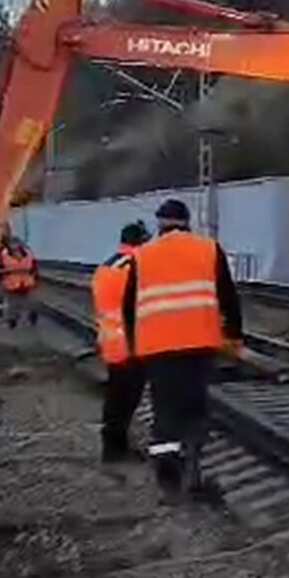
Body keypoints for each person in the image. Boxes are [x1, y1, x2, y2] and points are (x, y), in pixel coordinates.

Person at [121, 199, 242, 500]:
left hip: (157, 348)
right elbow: (229, 297)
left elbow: (128, 306)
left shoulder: (143, 256)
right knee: (194, 407)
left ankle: (168, 482)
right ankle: (194, 471)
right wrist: (234, 335)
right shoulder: (209, 249)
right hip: (200, 344)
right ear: (187, 222)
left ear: (159, 223)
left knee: (165, 412)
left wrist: (134, 345)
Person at [93, 220, 149, 463]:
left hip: (110, 342)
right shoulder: (136, 266)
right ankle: (116, 450)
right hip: (131, 343)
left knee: (116, 398)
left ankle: (113, 447)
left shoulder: (106, 266)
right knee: (127, 399)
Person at [0, 237, 38, 329]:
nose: (15, 249)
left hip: (27, 283)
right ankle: (12, 321)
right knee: (13, 304)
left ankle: (32, 316)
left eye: (17, 246)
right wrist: (4, 273)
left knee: (30, 302)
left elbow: (35, 267)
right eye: (13, 247)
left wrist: (34, 275)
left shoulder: (28, 254)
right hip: (11, 284)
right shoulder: (3, 255)